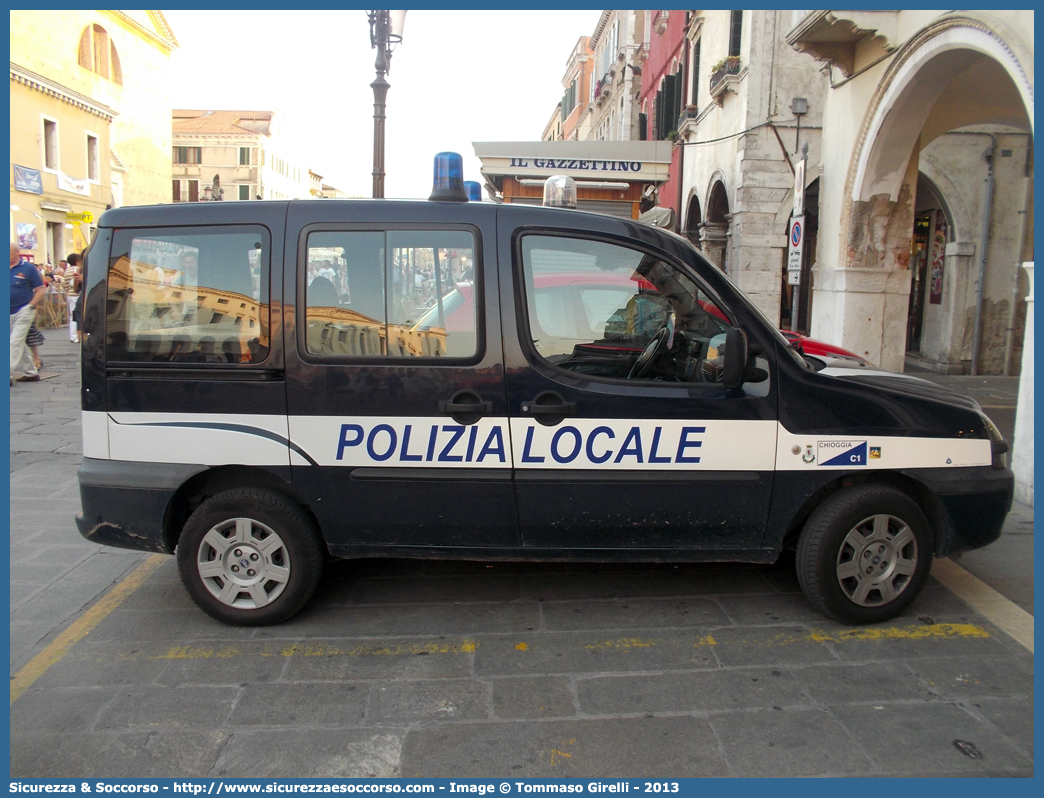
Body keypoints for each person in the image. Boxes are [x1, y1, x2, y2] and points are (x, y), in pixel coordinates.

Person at [10, 242, 45, 383]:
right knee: (18, 344)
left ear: (17, 252)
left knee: (14, 341)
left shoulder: (28, 268)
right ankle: (31, 373)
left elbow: (41, 289)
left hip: (23, 310)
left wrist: (30, 305)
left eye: (9, 252)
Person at [64, 252, 83, 342]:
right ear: (77, 261)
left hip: (69, 295)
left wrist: (68, 290)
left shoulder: (67, 271)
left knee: (72, 316)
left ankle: (73, 336)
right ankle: (76, 336)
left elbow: (65, 284)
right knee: (77, 316)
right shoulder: (77, 269)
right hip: (76, 294)